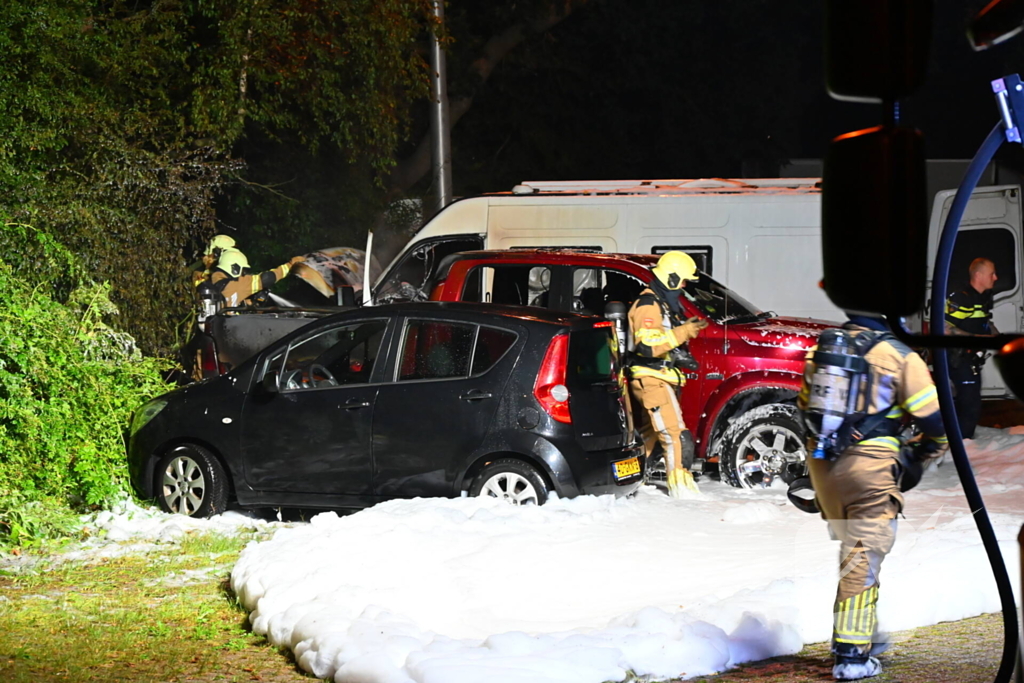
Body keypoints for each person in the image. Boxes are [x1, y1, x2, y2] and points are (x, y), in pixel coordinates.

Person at [798, 314, 947, 680]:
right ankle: (852, 657)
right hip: (869, 470)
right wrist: (931, 447)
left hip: (824, 469)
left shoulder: (822, 349)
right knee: (862, 558)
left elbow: (804, 408)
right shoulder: (898, 356)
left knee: (856, 554)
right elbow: (933, 418)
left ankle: (867, 634)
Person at [626, 251, 708, 498]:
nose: (683, 286)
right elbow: (648, 346)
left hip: (658, 377)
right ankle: (682, 490)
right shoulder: (649, 305)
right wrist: (682, 332)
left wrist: (680, 353)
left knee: (649, 438)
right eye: (682, 281)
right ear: (671, 278)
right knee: (675, 435)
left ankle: (632, 481)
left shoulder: (660, 303)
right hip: (652, 379)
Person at [944, 257, 998, 438]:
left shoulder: (980, 298)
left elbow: (985, 322)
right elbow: (944, 328)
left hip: (971, 360)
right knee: (968, 406)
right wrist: (976, 338)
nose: (996, 277)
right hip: (959, 360)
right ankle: (960, 449)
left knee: (971, 405)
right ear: (978, 275)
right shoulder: (961, 298)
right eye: (992, 274)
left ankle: (964, 445)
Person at [210, 248, 304, 308]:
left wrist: (252, 303)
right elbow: (266, 279)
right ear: (234, 268)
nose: (244, 275)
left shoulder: (217, 284)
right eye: (244, 271)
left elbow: (232, 303)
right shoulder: (234, 285)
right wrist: (290, 266)